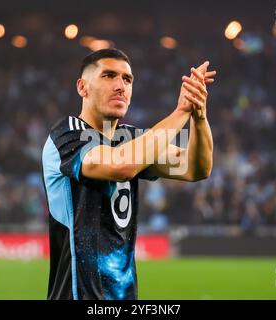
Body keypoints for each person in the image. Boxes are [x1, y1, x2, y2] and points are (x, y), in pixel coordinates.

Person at [42, 48, 216, 300]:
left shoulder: (132, 139)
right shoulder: (67, 135)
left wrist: (198, 115)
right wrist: (180, 112)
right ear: (82, 87)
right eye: (109, 75)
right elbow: (121, 166)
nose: (120, 85)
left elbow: (197, 168)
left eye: (127, 79)